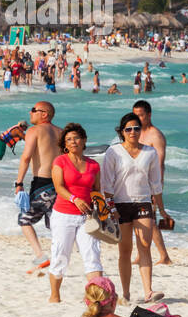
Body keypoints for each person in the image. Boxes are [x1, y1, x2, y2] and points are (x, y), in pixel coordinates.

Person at [101, 111, 163, 304]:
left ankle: (148, 291)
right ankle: (126, 294)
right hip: (120, 204)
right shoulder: (113, 152)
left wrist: (161, 209)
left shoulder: (150, 152)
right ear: (122, 131)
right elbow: (106, 183)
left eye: (137, 128)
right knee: (125, 250)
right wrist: (111, 208)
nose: (133, 132)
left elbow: (156, 183)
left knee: (145, 245)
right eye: (129, 129)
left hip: (143, 202)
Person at [47, 123, 104, 304]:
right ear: (65, 143)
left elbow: (96, 190)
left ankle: (96, 299)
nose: (73, 142)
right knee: (61, 255)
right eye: (69, 139)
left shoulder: (94, 165)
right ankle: (55, 296)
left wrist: (102, 209)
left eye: (76, 138)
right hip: (63, 215)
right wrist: (75, 199)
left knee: (92, 255)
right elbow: (59, 187)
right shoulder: (60, 161)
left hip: (87, 217)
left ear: (84, 140)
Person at [15, 100, 63, 269]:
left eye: (34, 110)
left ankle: (40, 256)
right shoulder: (62, 132)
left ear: (45, 114)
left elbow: (26, 157)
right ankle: (58, 259)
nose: (30, 112)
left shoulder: (34, 130)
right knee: (56, 225)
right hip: (60, 185)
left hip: (41, 184)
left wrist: (19, 182)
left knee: (24, 219)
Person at [133, 99, 173, 266]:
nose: (138, 118)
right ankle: (141, 254)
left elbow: (159, 164)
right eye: (135, 115)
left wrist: (157, 190)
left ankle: (164, 256)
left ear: (149, 115)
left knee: (150, 221)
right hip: (135, 182)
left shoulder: (155, 136)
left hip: (150, 184)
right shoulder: (135, 132)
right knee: (137, 219)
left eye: (141, 115)